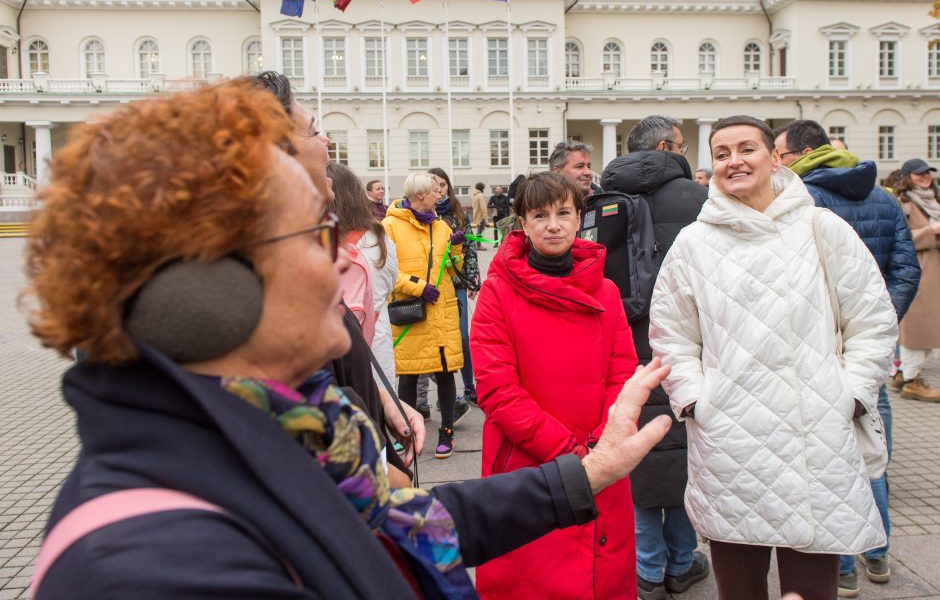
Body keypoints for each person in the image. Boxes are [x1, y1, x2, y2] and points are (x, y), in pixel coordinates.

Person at [25, 82, 675, 599]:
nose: (344, 259)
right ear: (211, 286)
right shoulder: (159, 565)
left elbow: (405, 522)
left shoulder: (288, 431)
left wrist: (587, 474)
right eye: (318, 232)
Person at [650, 115, 897, 600]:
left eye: (747, 149)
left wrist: (850, 395)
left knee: (812, 588)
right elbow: (671, 335)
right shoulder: (694, 244)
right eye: (722, 154)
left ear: (775, 158)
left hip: (816, 437)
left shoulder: (821, 228)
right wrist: (697, 400)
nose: (734, 161)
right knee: (738, 586)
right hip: (730, 442)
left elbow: (873, 320)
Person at [470, 172, 640, 600]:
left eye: (564, 213)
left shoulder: (606, 290)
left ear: (579, 218)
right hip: (532, 463)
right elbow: (496, 388)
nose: (553, 224)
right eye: (540, 215)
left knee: (601, 575)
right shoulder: (497, 292)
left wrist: (604, 440)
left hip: (600, 454)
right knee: (534, 577)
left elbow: (623, 370)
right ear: (522, 224)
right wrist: (571, 454)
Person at [249, 72, 420, 483]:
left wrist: (381, 401)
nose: (327, 143)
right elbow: (363, 493)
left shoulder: (285, 259)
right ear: (277, 155)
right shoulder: (263, 292)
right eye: (314, 131)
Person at [774, 119, 921, 593]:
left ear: (800, 153)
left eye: (780, 154)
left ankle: (839, 567)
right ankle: (877, 555)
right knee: (871, 445)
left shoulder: (801, 201)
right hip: (866, 349)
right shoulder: (881, 196)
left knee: (826, 459)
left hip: (815, 348)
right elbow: (906, 267)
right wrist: (877, 326)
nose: (777, 163)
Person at [600, 115, 709, 599]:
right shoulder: (698, 200)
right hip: (692, 346)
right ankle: (681, 563)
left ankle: (645, 569)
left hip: (621, 347)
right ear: (666, 146)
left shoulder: (600, 202)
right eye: (682, 146)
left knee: (634, 452)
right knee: (689, 455)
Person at [383, 172, 465, 459]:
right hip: (412, 312)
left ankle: (447, 431)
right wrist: (418, 288)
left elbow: (453, 270)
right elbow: (386, 271)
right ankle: (404, 433)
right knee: (408, 373)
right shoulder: (389, 226)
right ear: (420, 195)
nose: (440, 194)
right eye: (435, 190)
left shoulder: (441, 226)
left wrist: (456, 247)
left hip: (441, 310)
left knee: (445, 371)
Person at [326, 162, 399, 387]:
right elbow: (390, 283)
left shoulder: (316, 240)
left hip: (330, 344)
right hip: (376, 334)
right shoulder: (377, 237)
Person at [429, 167, 479, 408]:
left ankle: (469, 387)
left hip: (457, 282)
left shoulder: (458, 212)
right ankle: (444, 393)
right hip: (433, 287)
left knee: (462, 337)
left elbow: (468, 246)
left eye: (443, 185)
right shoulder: (423, 212)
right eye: (434, 185)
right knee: (436, 340)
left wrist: (472, 279)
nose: (439, 190)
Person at [893, 158, 940, 401]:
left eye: (927, 173)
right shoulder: (905, 202)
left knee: (930, 328)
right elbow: (901, 237)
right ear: (908, 177)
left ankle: (903, 374)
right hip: (919, 271)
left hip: (935, 271)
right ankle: (912, 380)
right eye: (919, 174)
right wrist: (930, 232)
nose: (924, 177)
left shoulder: (933, 200)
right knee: (917, 329)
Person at [471, 182, 489, 249]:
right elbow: (483, 207)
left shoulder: (474, 195)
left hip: (476, 214)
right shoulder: (480, 195)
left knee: (479, 229)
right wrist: (485, 217)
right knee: (480, 230)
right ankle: (479, 245)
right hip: (480, 215)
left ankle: (478, 244)